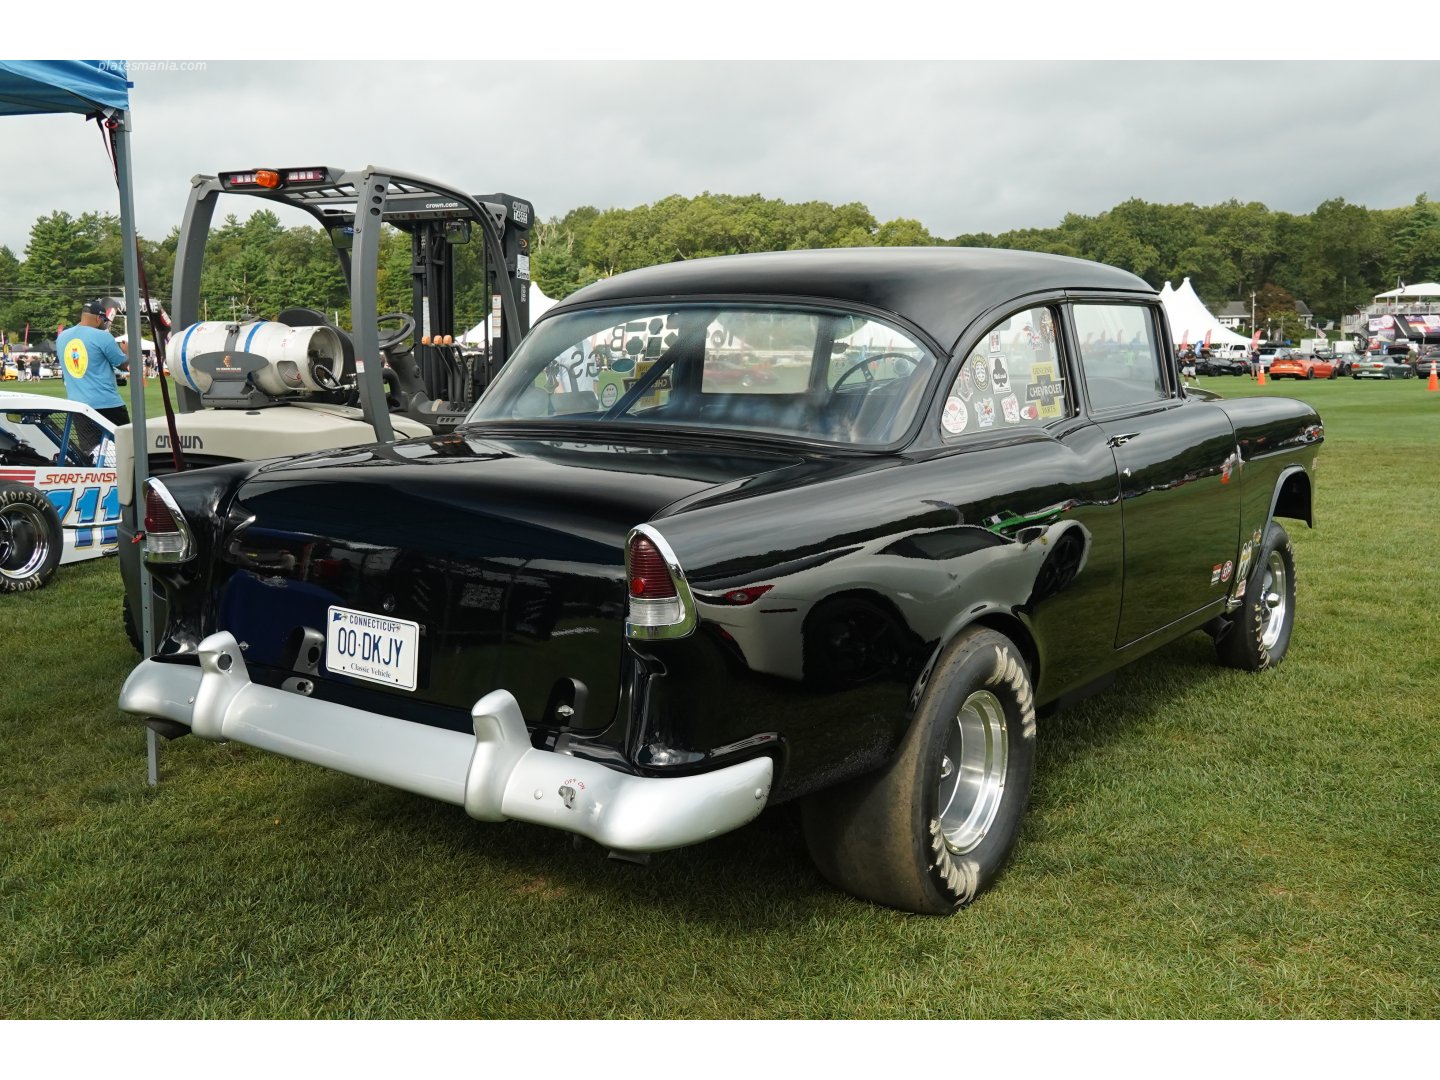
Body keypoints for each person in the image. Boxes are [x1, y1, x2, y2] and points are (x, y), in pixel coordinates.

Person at [56, 300, 130, 425]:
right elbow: (123, 365)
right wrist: (127, 351)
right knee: (124, 443)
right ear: (98, 318)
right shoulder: (103, 336)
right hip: (107, 405)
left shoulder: (62, 337)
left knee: (90, 445)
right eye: (104, 321)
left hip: (77, 406)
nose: (104, 324)